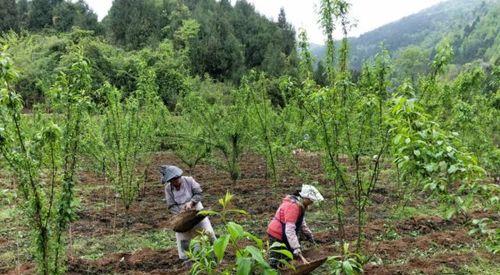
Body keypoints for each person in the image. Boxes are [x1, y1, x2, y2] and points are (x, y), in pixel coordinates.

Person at [160, 165, 216, 267]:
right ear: (170, 181)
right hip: (181, 214)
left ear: (180, 176)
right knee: (184, 238)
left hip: (196, 210)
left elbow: (199, 193)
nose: (176, 182)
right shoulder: (168, 188)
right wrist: (180, 212)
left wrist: (191, 203)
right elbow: (171, 205)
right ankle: (189, 261)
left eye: (177, 179)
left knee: (207, 232)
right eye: (173, 181)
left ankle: (215, 254)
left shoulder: (189, 180)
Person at [267, 184, 324, 268]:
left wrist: (309, 235)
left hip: (284, 233)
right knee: (276, 260)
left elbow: (301, 223)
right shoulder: (293, 206)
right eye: (311, 200)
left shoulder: (299, 205)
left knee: (287, 257)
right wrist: (296, 248)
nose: (312, 202)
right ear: (305, 198)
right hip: (277, 234)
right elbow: (289, 230)